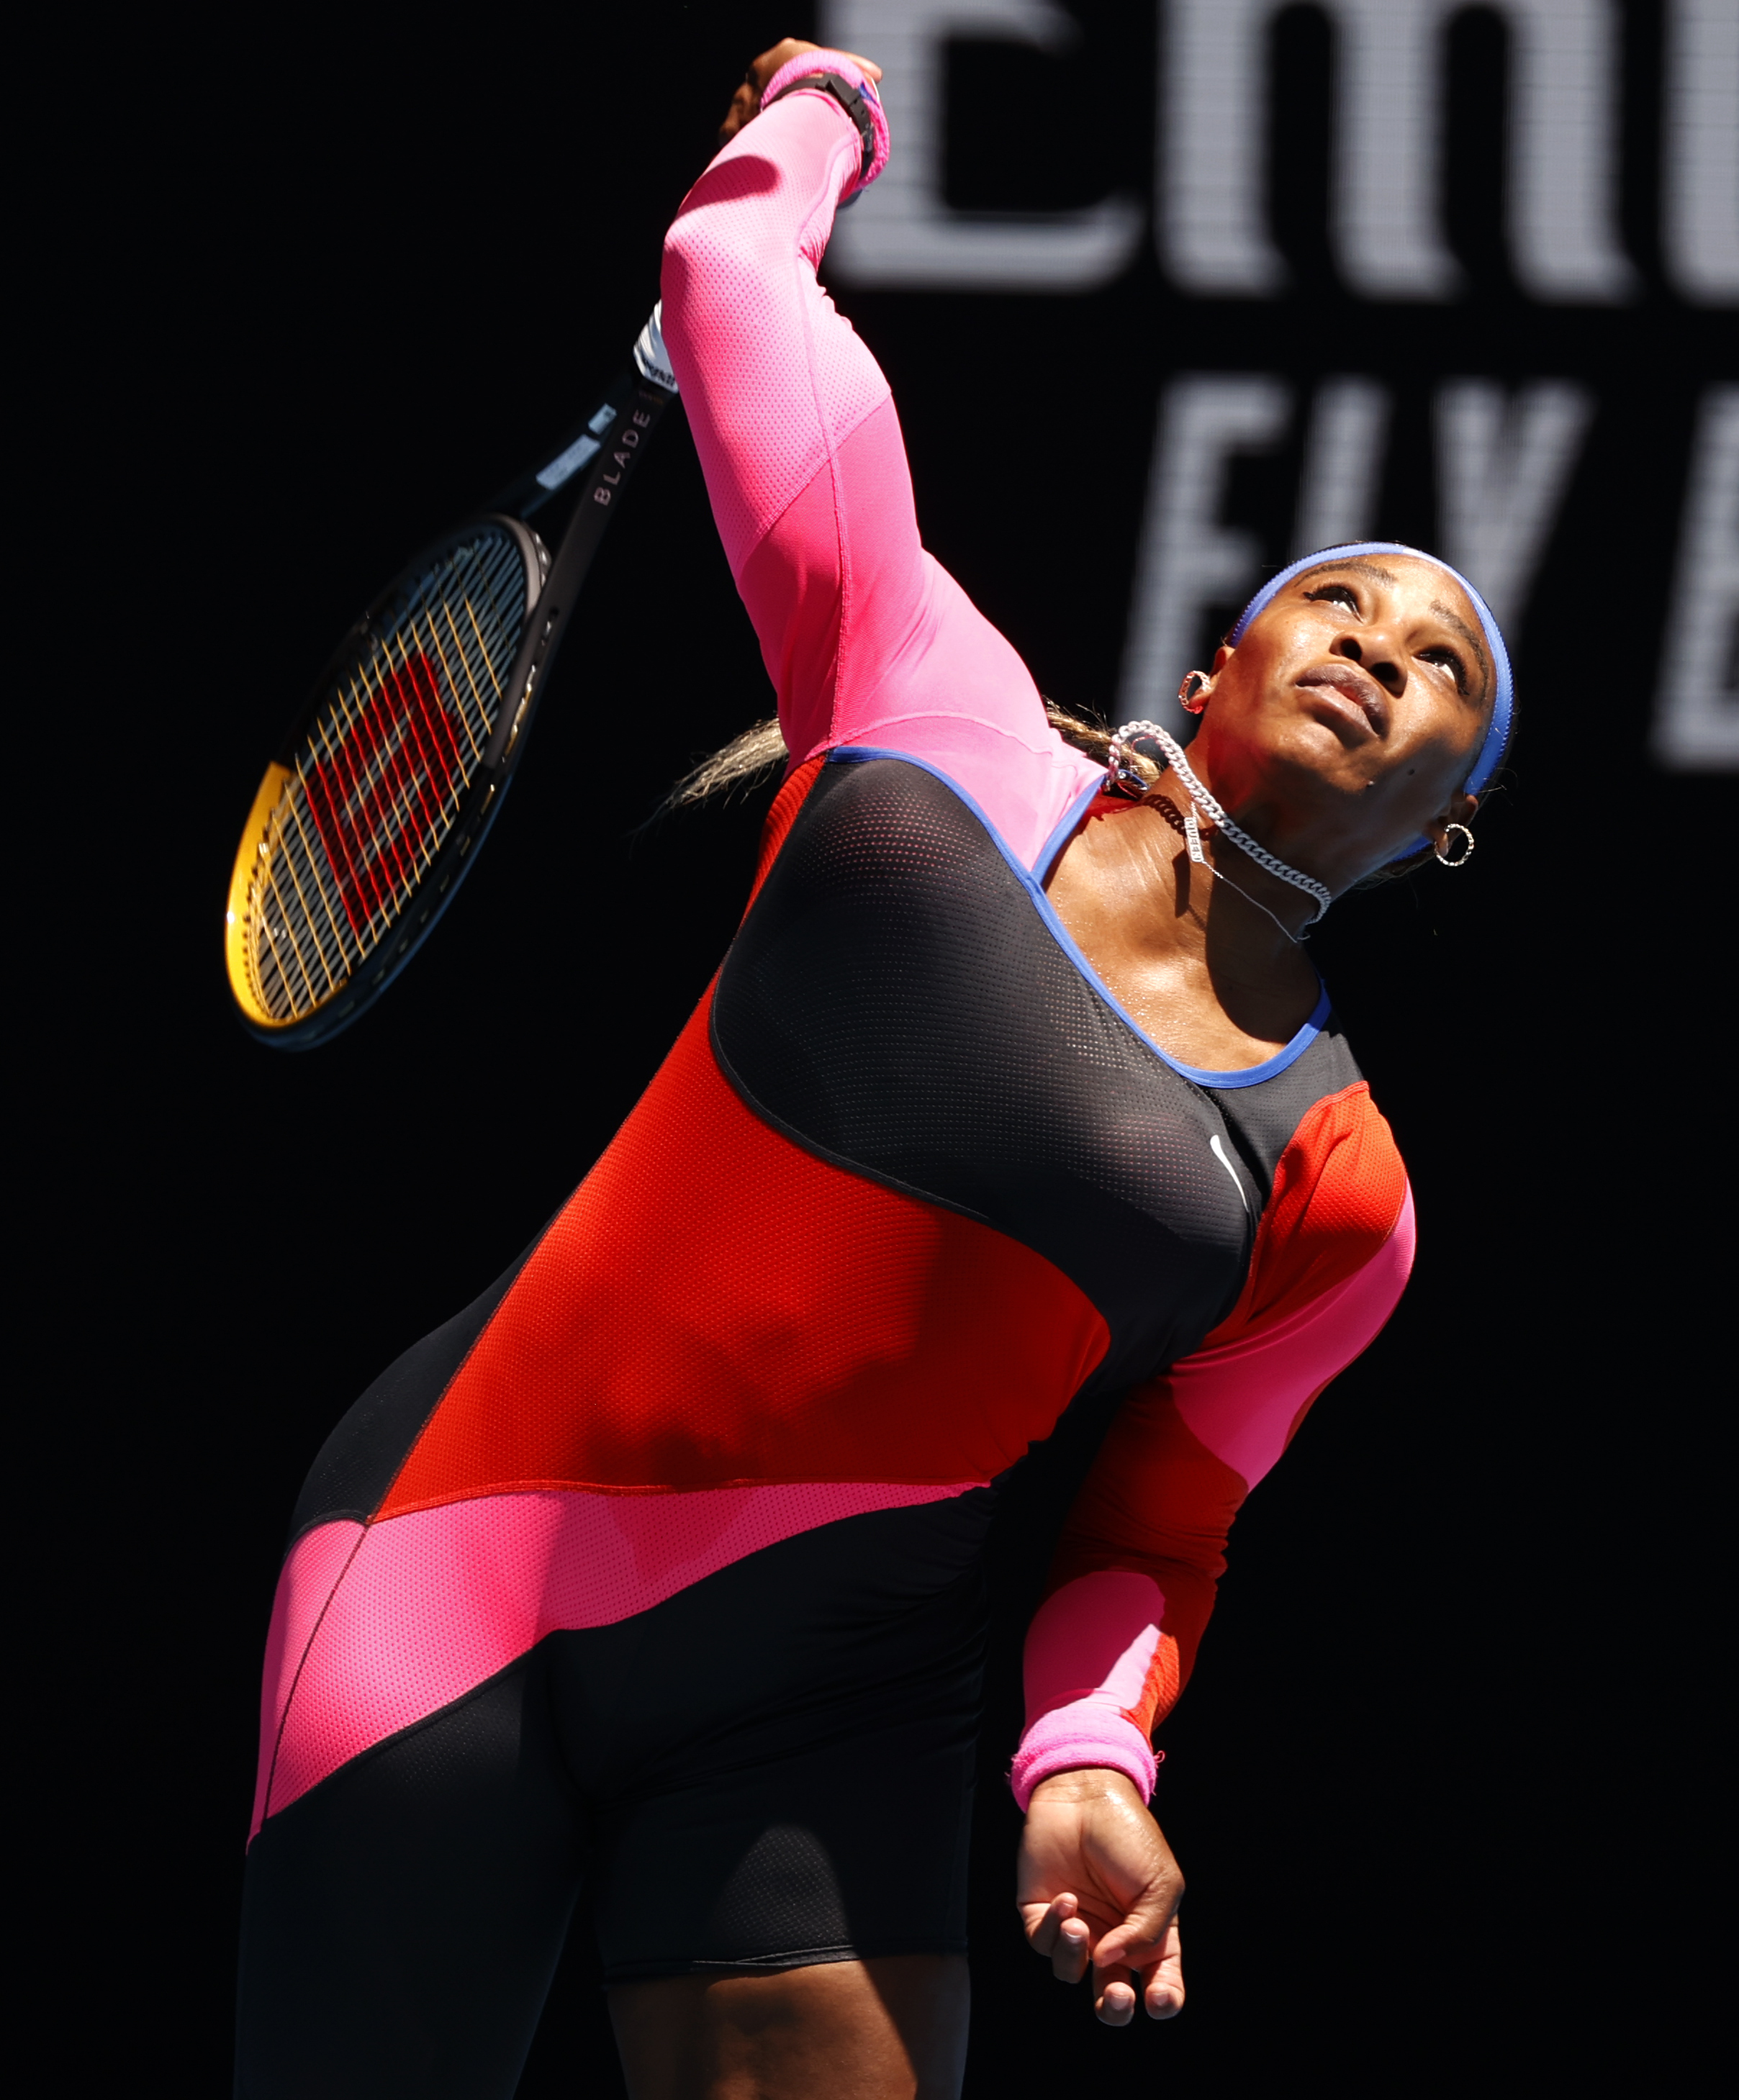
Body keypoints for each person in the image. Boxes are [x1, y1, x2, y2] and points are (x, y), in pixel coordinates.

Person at [233, 37, 1513, 2100]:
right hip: (449, 1569)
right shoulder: (926, 700)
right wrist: (824, 103)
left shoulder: (1340, 1191)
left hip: (823, 1716)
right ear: (1216, 671)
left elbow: (1155, 1533)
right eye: (1336, 598)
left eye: (1446, 657)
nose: (1381, 639)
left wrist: (1091, 1758)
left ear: (1451, 816)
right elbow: (734, 280)